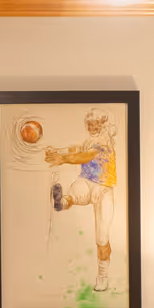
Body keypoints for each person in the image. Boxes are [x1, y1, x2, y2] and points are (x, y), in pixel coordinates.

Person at [45, 107, 120, 292]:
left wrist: (62, 158)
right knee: (74, 193)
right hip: (86, 181)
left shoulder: (105, 140)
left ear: (101, 124)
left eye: (93, 123)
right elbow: (77, 149)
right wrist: (58, 151)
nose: (89, 126)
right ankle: (61, 202)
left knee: (102, 239)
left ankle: (102, 276)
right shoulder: (90, 139)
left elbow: (84, 156)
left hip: (103, 190)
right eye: (88, 123)